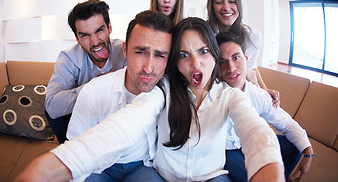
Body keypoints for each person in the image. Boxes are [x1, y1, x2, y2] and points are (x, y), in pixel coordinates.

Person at [14, 17, 284, 182]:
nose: (148, 67)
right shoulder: (160, 91)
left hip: (185, 173)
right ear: (126, 50)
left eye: (203, 51)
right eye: (184, 55)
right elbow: (128, 122)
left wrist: (267, 163)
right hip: (124, 170)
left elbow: (253, 127)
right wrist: (55, 165)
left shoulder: (228, 95)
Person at [65, 10, 172, 181]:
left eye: (160, 55)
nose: (149, 68)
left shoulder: (169, 92)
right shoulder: (93, 92)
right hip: (99, 168)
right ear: (125, 50)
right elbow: (74, 148)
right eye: (140, 52)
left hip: (141, 166)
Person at [216, 32, 313, 182]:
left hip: (249, 142)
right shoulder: (210, 93)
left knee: (294, 145)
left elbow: (286, 123)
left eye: (236, 57)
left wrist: (308, 152)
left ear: (246, 59)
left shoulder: (258, 94)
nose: (231, 68)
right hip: (226, 151)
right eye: (223, 61)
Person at [45, 0, 127, 143]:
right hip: (84, 127)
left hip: (118, 123)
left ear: (109, 27)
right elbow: (52, 107)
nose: (95, 42)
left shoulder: (126, 51)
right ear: (77, 38)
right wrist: (97, 85)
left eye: (99, 30)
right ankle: (73, 156)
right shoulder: (68, 58)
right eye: (85, 35)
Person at [206, 0, 279, 104]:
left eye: (231, 1)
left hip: (239, 94)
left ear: (239, 4)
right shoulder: (205, 33)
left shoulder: (252, 36)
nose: (226, 7)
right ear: (212, 7)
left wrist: (264, 90)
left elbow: (252, 67)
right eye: (219, 2)